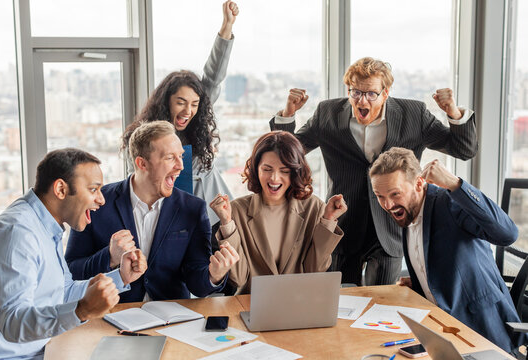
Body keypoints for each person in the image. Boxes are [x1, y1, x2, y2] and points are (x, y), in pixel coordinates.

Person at [270, 57, 478, 286]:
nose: (362, 100)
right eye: (355, 92)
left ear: (385, 93)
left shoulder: (414, 114)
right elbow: (287, 153)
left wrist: (453, 112)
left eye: (371, 94)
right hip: (343, 224)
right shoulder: (327, 113)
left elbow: (463, 149)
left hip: (391, 227)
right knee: (337, 301)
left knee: (381, 304)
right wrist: (288, 114)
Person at [0, 148, 147, 360]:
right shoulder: (18, 233)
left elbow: (63, 292)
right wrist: (80, 311)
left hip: (45, 349)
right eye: (93, 189)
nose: (101, 200)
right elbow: (12, 324)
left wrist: (121, 277)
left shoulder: (46, 227)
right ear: (61, 189)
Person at [369, 147, 523, 353]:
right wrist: (421, 283)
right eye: (379, 196)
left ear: (419, 183)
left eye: (395, 194)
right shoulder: (408, 211)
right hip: (442, 332)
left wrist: (454, 184)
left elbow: (508, 234)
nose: (387, 204)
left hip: (483, 331)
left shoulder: (449, 202)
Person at [65, 121, 239, 302]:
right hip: (113, 314)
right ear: (142, 163)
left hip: (171, 319)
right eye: (170, 158)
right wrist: (109, 257)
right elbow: (71, 271)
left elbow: (198, 284)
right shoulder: (98, 204)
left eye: (181, 156)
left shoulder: (193, 208)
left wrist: (214, 276)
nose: (181, 166)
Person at [124, 0, 239, 227]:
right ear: (166, 101)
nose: (188, 110)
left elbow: (213, 77)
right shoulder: (144, 137)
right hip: (168, 223)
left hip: (212, 218)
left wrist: (226, 28)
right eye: (181, 102)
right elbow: (134, 182)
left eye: (195, 104)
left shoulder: (196, 129)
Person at [209, 131, 347, 294]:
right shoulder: (236, 211)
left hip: (300, 304)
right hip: (251, 306)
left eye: (284, 171)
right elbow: (238, 278)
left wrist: (328, 220)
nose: (274, 178)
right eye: (267, 169)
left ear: (296, 172)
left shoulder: (314, 208)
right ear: (256, 169)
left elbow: (314, 270)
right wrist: (227, 223)